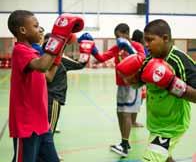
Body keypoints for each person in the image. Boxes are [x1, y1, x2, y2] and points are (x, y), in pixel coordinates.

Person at [8, 10, 84, 162]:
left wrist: (61, 47)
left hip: (42, 123)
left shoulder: (34, 52)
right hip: (26, 125)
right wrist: (59, 37)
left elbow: (49, 76)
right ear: (23, 30)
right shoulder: (20, 50)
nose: (40, 30)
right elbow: (43, 66)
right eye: (36, 26)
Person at [117, 19, 196, 162]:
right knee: (166, 158)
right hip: (156, 123)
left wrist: (172, 83)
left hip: (172, 125)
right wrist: (128, 77)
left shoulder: (179, 60)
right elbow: (137, 84)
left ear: (165, 38)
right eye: (144, 40)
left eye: (150, 40)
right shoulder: (149, 60)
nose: (146, 45)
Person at [78, 23, 145, 157]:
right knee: (120, 112)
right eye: (115, 36)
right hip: (120, 84)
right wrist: (92, 48)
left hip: (132, 85)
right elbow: (102, 58)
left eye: (118, 36)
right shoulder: (117, 47)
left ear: (126, 33)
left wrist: (129, 48)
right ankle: (124, 142)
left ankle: (124, 146)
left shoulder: (138, 46)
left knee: (126, 113)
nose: (117, 39)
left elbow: (143, 61)